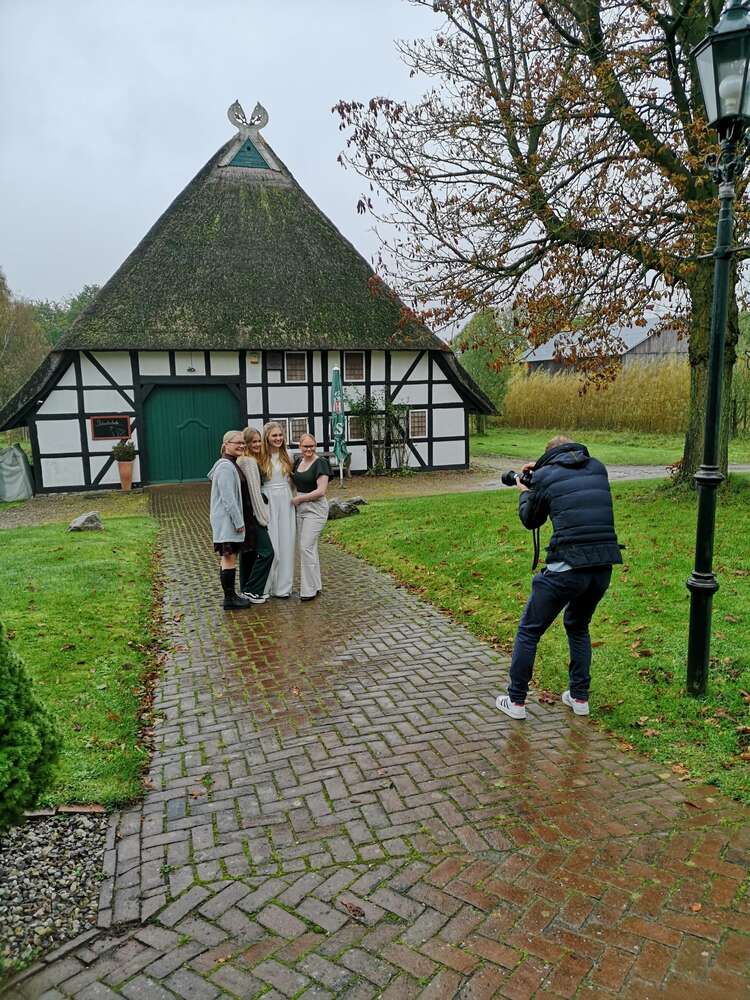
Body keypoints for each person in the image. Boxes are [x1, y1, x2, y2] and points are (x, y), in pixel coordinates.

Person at [496, 435, 622, 721]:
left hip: (568, 566)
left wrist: (525, 489)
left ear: (548, 456)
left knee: (529, 630)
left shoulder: (546, 476)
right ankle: (579, 698)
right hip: (603, 566)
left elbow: (531, 519)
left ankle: (515, 701)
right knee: (578, 626)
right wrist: (540, 472)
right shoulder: (598, 467)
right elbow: (570, 481)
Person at [207, 430, 257, 610]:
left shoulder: (231, 464)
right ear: (226, 444)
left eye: (243, 443)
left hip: (229, 522)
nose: (242, 446)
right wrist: (239, 523)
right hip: (228, 523)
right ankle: (229, 598)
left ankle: (231, 596)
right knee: (229, 558)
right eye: (237, 443)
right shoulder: (225, 467)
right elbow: (228, 499)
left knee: (229, 558)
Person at [258, 421, 296, 598]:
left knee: (287, 543)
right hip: (268, 500)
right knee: (271, 545)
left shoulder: (288, 454)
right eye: (274, 435)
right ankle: (264, 587)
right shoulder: (259, 457)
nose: (278, 438)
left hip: (286, 499)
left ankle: (283, 588)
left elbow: (294, 480)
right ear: (267, 437)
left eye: (280, 435)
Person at [237, 426, 275, 602]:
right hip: (253, 514)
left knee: (248, 552)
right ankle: (253, 590)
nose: (258, 444)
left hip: (246, 513)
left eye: (259, 440)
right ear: (246, 443)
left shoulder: (244, 460)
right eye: (254, 441)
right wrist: (262, 516)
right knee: (267, 552)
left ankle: (245, 589)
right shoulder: (249, 462)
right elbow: (253, 492)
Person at [291, 433, 330, 601]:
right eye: (305, 446)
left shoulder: (321, 463)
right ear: (300, 447)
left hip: (316, 508)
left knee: (305, 547)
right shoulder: (298, 462)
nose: (309, 449)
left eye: (312, 446)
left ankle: (308, 590)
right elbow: (293, 482)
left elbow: (321, 491)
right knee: (310, 548)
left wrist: (299, 499)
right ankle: (316, 585)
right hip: (301, 509)